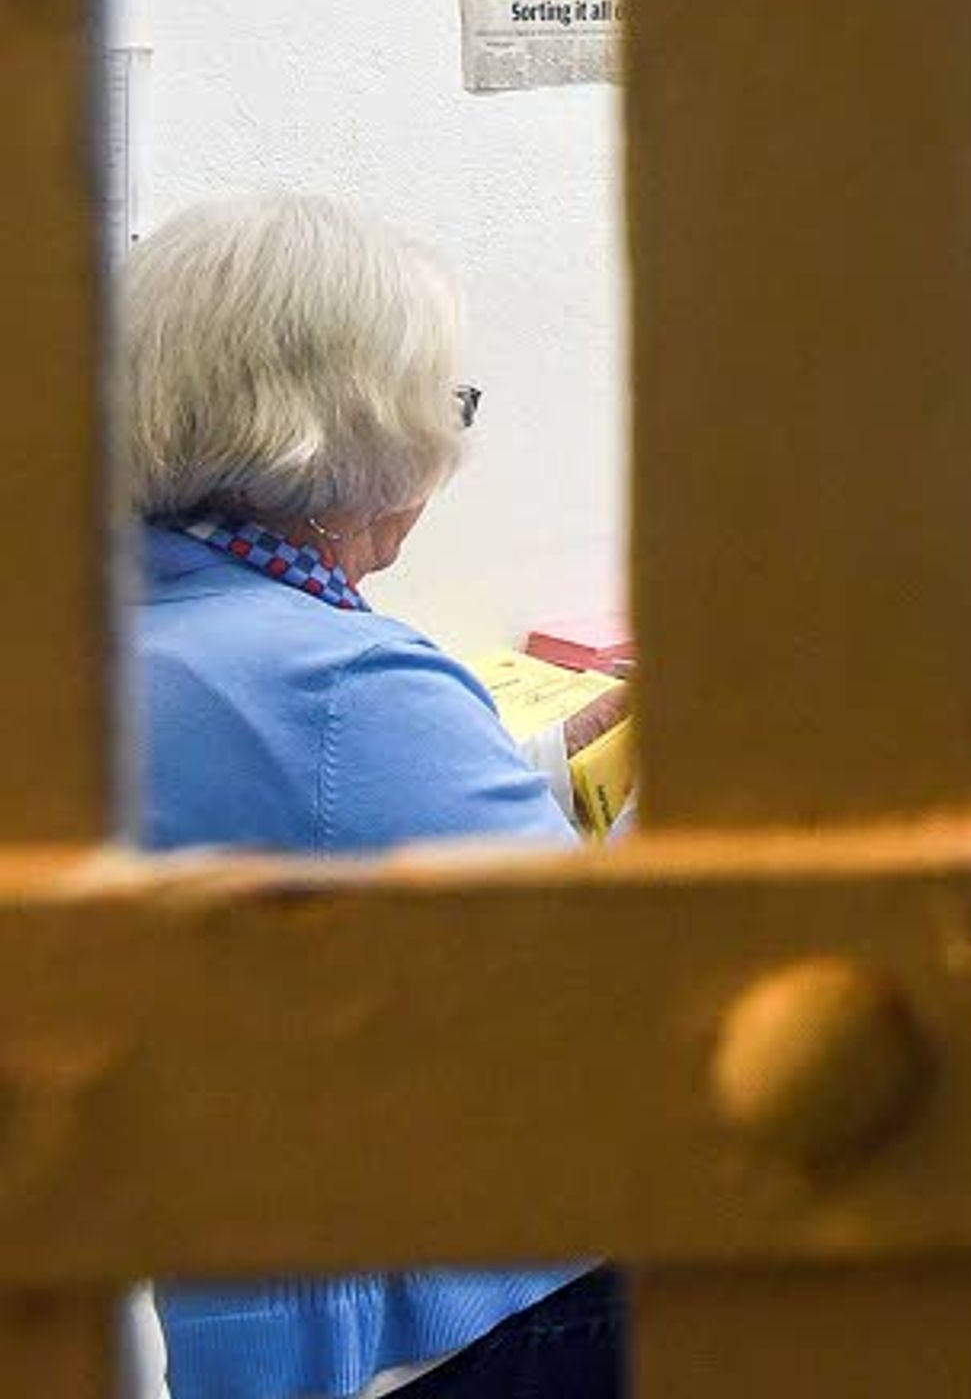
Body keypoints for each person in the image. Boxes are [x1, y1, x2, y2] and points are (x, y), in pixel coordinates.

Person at [120, 193, 625, 1399]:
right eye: (448, 407)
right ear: (355, 434)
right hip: (461, 1318)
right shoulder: (343, 685)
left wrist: (551, 762)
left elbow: (297, 818)